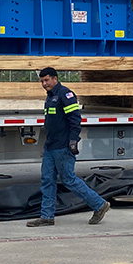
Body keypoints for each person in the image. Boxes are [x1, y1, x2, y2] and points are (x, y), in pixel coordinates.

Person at [26, 67, 111, 227]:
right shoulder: (51, 97)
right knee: (47, 180)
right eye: (42, 81)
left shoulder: (65, 95)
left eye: (47, 80)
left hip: (63, 146)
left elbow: (75, 120)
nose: (44, 84)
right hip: (51, 146)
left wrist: (73, 141)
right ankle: (47, 216)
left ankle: (99, 205)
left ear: (55, 79)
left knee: (69, 179)